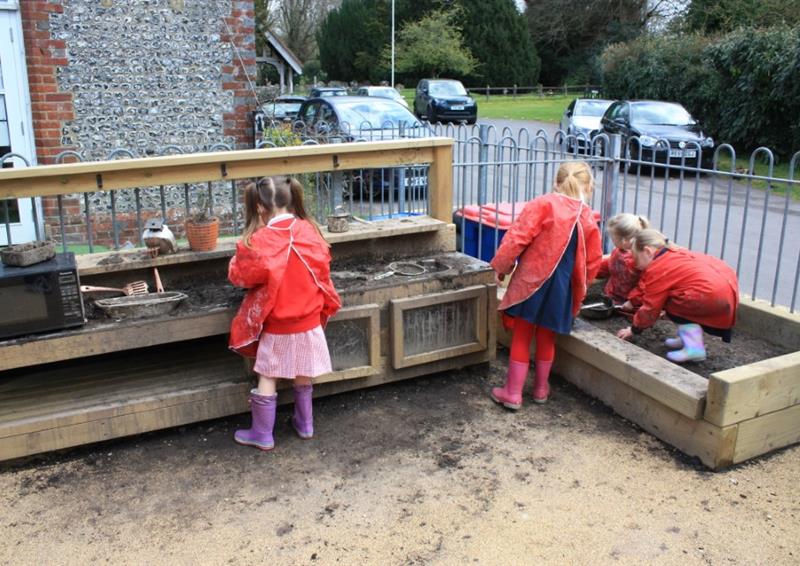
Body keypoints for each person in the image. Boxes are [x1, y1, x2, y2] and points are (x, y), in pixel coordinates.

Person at [228, 176, 341, 451]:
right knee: (304, 371)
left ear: (259, 206)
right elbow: (323, 269)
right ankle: (305, 425)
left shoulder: (259, 240)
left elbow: (240, 277)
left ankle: (262, 434)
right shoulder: (309, 230)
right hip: (309, 319)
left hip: (278, 322)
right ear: (292, 198)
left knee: (268, 374)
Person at [490, 161, 603, 409]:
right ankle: (541, 389)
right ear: (589, 187)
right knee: (546, 337)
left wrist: (501, 267)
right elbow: (592, 261)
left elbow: (516, 238)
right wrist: (581, 289)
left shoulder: (543, 204)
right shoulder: (587, 217)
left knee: (522, 335)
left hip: (532, 283)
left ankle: (513, 393)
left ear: (556, 182)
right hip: (561, 289)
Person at [616, 229, 739, 363]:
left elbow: (651, 307)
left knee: (671, 303)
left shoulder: (659, 267)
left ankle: (694, 349)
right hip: (727, 289)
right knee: (680, 297)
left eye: (636, 258)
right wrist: (633, 301)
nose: (636, 264)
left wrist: (634, 329)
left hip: (710, 295)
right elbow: (647, 285)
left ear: (647, 251)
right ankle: (687, 338)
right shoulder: (674, 253)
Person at [595, 213, 650, 305]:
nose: (612, 240)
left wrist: (633, 301)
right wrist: (594, 270)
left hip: (628, 302)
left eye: (613, 238)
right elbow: (610, 264)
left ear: (624, 240)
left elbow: (645, 283)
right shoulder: (619, 250)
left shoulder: (641, 259)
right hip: (613, 294)